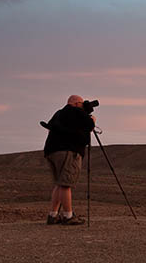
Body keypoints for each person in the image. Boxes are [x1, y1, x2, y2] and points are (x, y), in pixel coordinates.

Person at [43, 95, 95, 225]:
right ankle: (68, 216)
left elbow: (50, 128)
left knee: (59, 183)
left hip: (51, 151)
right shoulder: (76, 111)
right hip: (68, 151)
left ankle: (53, 215)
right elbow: (89, 126)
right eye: (82, 104)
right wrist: (92, 119)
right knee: (66, 184)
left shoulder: (59, 113)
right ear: (77, 103)